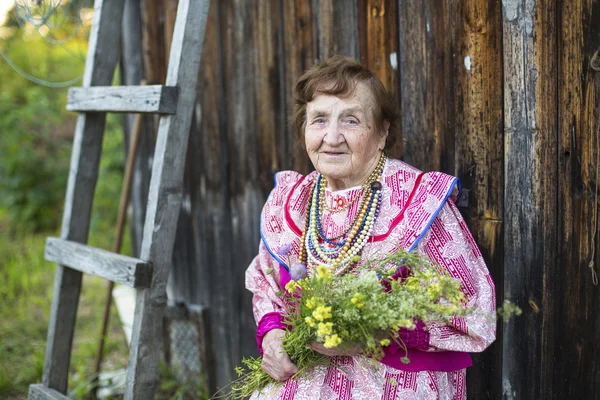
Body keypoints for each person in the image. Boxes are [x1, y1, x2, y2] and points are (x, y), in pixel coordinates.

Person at [245, 56, 496, 399]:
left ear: (381, 133)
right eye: (319, 120)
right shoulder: (293, 200)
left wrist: (373, 335)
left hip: (392, 383)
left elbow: (474, 312)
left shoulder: (419, 205)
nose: (332, 137)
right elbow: (267, 281)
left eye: (351, 120)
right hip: (305, 378)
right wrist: (273, 335)